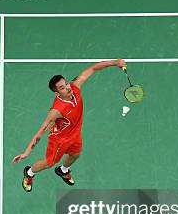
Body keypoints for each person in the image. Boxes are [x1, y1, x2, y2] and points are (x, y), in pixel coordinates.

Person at [12, 59, 126, 192]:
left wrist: (115, 62)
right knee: (48, 163)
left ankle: (63, 170)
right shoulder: (56, 111)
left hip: (75, 133)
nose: (67, 88)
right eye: (62, 88)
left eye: (66, 84)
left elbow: (93, 69)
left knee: (75, 155)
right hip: (60, 140)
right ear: (57, 93)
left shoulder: (75, 87)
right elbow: (41, 131)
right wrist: (26, 152)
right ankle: (29, 173)